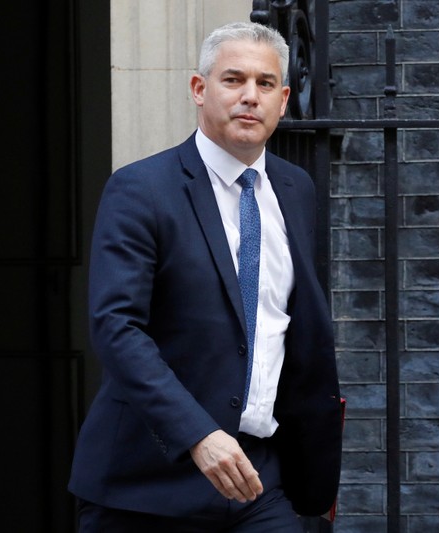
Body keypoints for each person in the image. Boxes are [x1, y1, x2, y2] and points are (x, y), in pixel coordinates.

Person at [68, 21, 343, 531]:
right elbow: (116, 327)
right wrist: (198, 434)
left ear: (283, 100)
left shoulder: (295, 189)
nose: (249, 97)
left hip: (258, 481)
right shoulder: (141, 189)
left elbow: (283, 321)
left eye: (264, 84)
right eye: (233, 80)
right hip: (148, 485)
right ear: (199, 89)